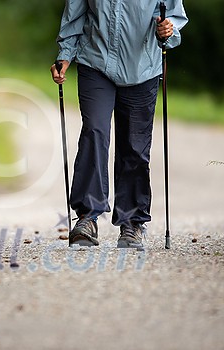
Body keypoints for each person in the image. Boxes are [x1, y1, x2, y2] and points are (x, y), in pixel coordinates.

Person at [51, 1, 188, 249]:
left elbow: (174, 17)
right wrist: (65, 56)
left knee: (134, 146)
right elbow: (75, 16)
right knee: (95, 130)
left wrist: (168, 31)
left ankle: (132, 222)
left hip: (142, 69)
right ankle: (87, 217)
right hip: (96, 62)